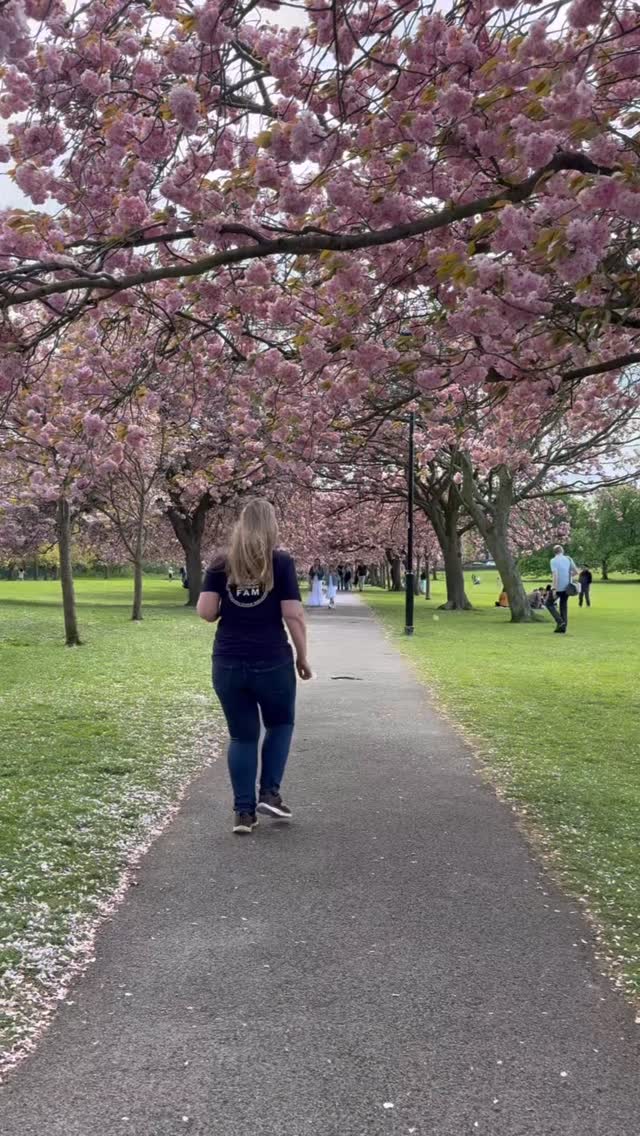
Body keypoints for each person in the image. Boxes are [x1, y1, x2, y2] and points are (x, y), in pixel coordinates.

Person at [197, 499, 312, 835]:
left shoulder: (221, 563)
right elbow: (293, 614)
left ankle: (243, 813)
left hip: (228, 662)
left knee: (242, 736)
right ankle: (270, 794)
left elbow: (206, 612)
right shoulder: (281, 561)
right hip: (272, 659)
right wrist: (302, 658)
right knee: (281, 722)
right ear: (272, 526)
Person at [546, 544, 578, 634]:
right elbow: (576, 572)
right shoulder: (568, 559)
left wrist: (554, 589)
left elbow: (555, 575)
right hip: (567, 587)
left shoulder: (553, 560)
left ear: (554, 552)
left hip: (558, 587)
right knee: (563, 606)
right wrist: (568, 576)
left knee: (548, 603)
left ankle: (560, 622)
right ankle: (562, 628)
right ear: (562, 550)